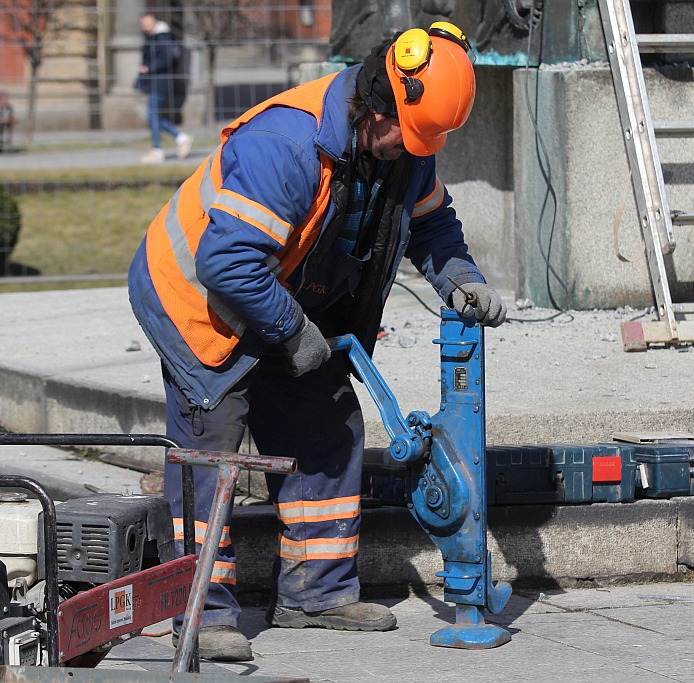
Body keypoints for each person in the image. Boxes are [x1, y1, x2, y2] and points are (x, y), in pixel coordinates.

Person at [128, 22, 506, 662]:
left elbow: (432, 223)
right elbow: (227, 265)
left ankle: (317, 595)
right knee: (208, 453)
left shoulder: (402, 148)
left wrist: (459, 276)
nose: (416, 150)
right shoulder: (286, 144)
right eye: (409, 136)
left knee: (328, 431)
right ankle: (201, 612)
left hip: (281, 297)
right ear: (375, 107)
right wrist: (292, 330)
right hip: (198, 305)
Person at [136, 12, 192, 164]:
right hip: (155, 81)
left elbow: (165, 59)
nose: (145, 27)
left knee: (152, 116)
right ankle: (178, 138)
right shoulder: (153, 37)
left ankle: (159, 149)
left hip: (160, 82)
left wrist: (148, 68)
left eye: (147, 23)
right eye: (143, 24)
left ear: (154, 21)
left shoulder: (161, 37)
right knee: (153, 117)